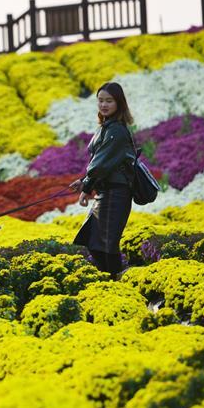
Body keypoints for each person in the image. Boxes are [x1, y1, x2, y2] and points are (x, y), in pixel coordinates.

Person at [69, 82, 137, 279]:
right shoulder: (106, 127)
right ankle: (113, 278)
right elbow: (99, 163)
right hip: (106, 193)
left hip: (116, 194)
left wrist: (85, 183)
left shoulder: (116, 131)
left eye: (109, 101)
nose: (104, 105)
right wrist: (86, 187)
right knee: (95, 241)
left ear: (119, 103)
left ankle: (115, 280)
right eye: (100, 101)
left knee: (105, 245)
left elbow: (100, 164)